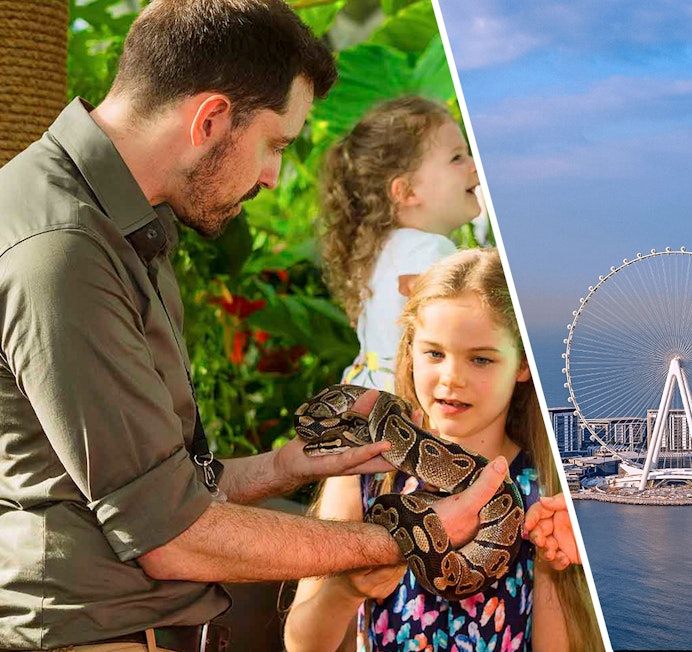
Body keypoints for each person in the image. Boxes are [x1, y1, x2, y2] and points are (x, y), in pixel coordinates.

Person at [0, 2, 507, 650]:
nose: (271, 175)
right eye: (274, 144)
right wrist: (405, 536)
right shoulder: (64, 249)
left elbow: (158, 482)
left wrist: (285, 466)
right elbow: (169, 533)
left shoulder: (121, 222)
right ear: (210, 119)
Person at [284, 248, 605, 652]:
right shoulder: (362, 475)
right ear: (411, 353)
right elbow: (302, 644)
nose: (451, 378)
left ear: (523, 365)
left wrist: (550, 561)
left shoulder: (546, 492)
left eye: (481, 359)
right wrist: (345, 591)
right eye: (435, 353)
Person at [319, 94, 481, 393]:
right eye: (457, 157)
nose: (474, 164)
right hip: (407, 400)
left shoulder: (382, 247)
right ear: (405, 191)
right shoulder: (428, 251)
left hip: (366, 390)